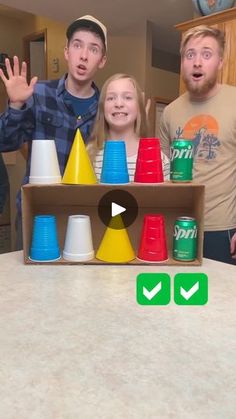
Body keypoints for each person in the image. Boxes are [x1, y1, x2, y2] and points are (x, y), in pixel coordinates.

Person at [0, 14, 107, 249]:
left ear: (102, 61)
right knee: (28, 286)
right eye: (77, 45)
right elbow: (5, 143)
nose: (84, 55)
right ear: (67, 51)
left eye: (94, 49)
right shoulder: (38, 94)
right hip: (36, 214)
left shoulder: (106, 108)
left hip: (86, 219)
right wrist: (16, 105)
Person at [159, 25, 236, 265]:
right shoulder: (170, 112)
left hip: (223, 230)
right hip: (178, 224)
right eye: (190, 55)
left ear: (220, 62)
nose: (197, 62)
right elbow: (163, 174)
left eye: (206, 54)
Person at [88, 73, 170, 181]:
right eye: (111, 98)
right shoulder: (89, 154)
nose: (118, 104)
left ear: (139, 108)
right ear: (103, 108)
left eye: (127, 97)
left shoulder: (158, 159)